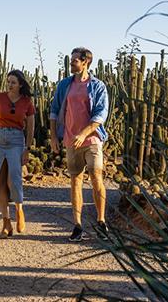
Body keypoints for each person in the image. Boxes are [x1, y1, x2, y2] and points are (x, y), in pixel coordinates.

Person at [49, 47, 109, 241]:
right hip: (70, 139)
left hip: (92, 139)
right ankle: (77, 225)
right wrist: (53, 137)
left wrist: (83, 134)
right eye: (72, 59)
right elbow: (54, 110)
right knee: (75, 180)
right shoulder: (64, 85)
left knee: (96, 175)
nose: (71, 62)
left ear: (86, 62)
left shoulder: (97, 86)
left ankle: (101, 221)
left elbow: (100, 115)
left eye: (75, 60)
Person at [0, 69, 36, 238]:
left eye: (13, 82)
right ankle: (6, 223)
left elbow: (31, 127)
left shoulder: (27, 102)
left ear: (20, 84)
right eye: (8, 82)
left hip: (16, 140)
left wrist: (27, 148)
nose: (10, 85)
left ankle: (19, 209)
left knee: (13, 179)